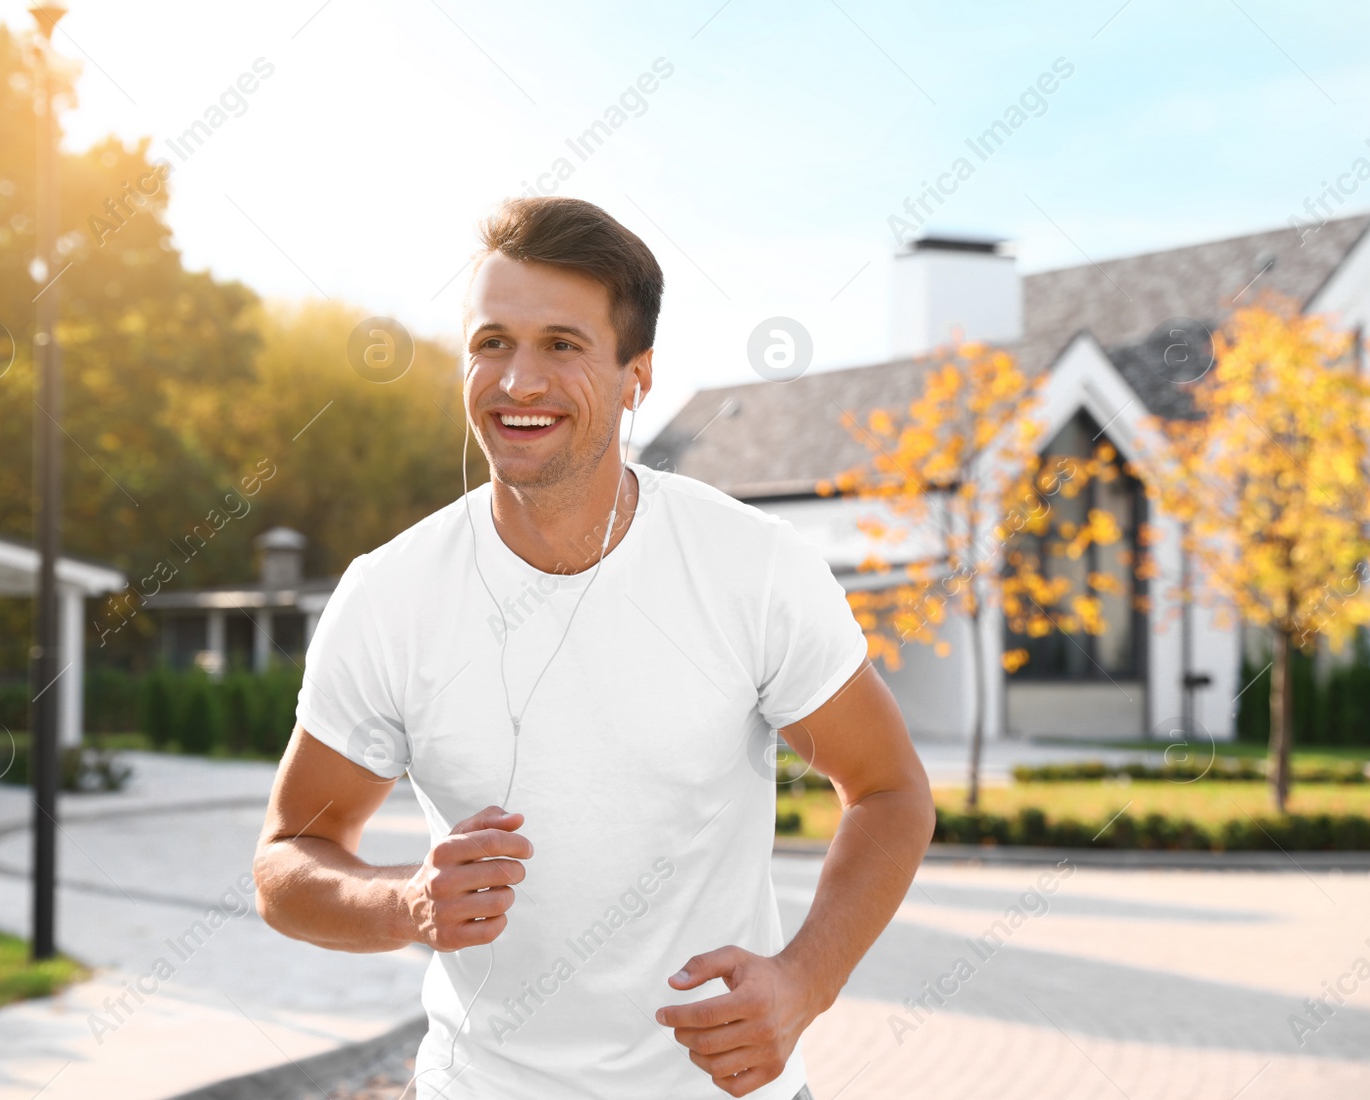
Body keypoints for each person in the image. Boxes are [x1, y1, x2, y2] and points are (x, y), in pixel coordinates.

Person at [253, 195, 934, 1099]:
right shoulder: (390, 596)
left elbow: (889, 792)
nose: (517, 382)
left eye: (561, 346)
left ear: (635, 376)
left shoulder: (751, 567)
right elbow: (288, 859)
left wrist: (805, 982)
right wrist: (406, 903)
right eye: (491, 342)